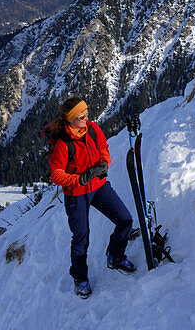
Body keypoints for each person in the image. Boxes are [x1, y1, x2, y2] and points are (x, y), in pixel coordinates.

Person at [47, 96, 135, 298]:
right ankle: (80, 277)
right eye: (81, 116)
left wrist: (104, 163)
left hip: (98, 185)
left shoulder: (93, 129)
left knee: (125, 219)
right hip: (77, 194)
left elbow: (104, 148)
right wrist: (79, 179)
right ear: (70, 119)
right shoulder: (63, 143)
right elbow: (56, 174)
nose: (86, 117)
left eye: (87, 112)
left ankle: (115, 256)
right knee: (81, 237)